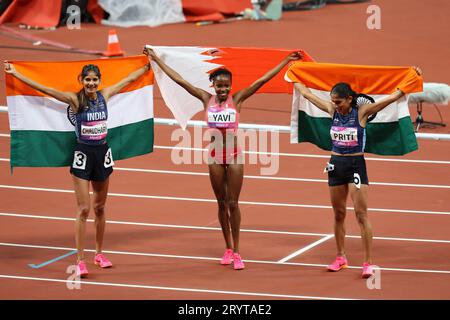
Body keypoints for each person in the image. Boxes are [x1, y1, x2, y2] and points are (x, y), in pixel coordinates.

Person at [144, 47, 301, 270]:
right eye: (219, 85)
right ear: (213, 86)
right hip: (215, 157)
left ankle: (237, 251)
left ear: (231, 86)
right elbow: (179, 80)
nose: (223, 89)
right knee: (220, 203)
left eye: (226, 85)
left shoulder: (237, 99)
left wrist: (286, 60)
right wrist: (157, 60)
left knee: (233, 203)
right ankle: (227, 248)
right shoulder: (205, 98)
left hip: (235, 157)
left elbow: (262, 80)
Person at [4, 60, 152, 277]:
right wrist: (16, 73)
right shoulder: (74, 99)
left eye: (94, 80)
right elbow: (44, 89)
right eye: (87, 80)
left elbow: (129, 79)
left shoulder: (105, 95)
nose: (91, 83)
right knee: (84, 209)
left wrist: (147, 66)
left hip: (102, 154)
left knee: (100, 207)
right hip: (82, 155)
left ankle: (99, 254)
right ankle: (80, 260)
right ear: (81, 81)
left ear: (99, 81)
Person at [293, 65, 422, 278]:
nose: (336, 105)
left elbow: (390, 98)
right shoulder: (332, 110)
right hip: (335, 165)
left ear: (350, 99)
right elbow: (306, 93)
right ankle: (340, 257)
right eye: (333, 101)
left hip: (355, 167)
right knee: (338, 214)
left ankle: (367, 263)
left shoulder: (361, 112)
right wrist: (293, 73)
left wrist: (412, 78)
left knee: (361, 214)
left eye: (339, 101)